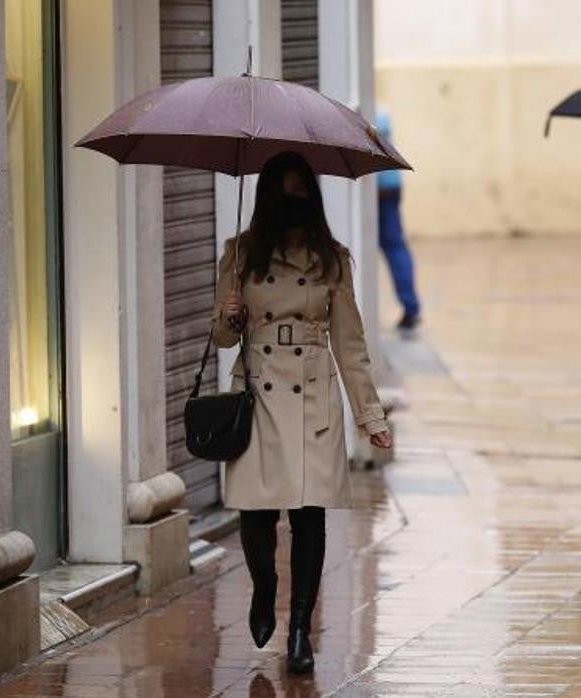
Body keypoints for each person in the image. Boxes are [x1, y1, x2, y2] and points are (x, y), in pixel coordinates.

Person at [213, 151, 393, 675]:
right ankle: (265, 587)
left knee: (309, 516)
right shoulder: (240, 255)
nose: (294, 204)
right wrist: (229, 316)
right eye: (284, 194)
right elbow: (222, 337)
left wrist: (371, 417)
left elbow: (351, 344)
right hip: (258, 395)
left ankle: (299, 630)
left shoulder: (332, 260)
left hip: (313, 393)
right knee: (257, 515)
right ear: (269, 200)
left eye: (302, 194)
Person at [375, 110, 422, 330]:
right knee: (396, 247)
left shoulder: (363, 112)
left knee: (392, 247)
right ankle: (411, 307)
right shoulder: (381, 112)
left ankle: (410, 307)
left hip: (376, 187)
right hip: (392, 183)